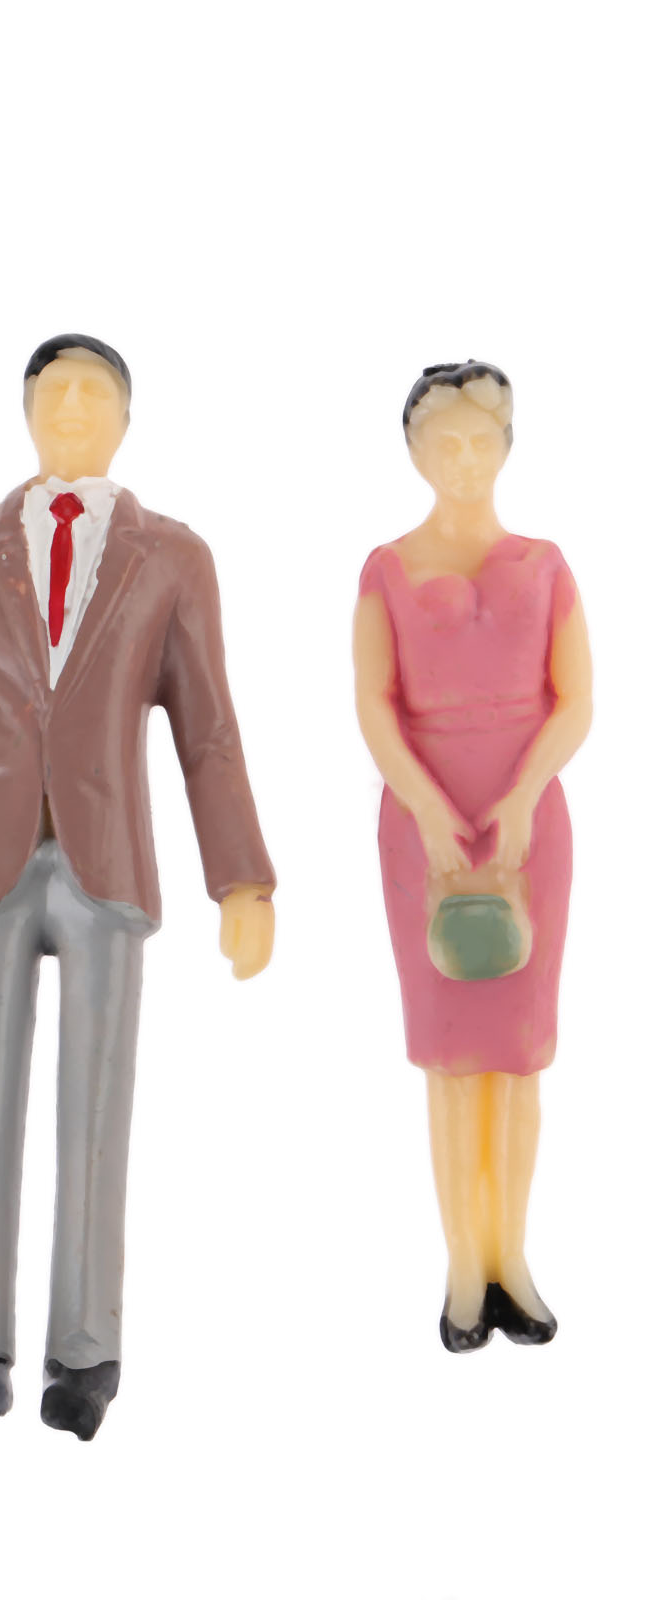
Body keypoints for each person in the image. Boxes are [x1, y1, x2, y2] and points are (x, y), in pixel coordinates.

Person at [0, 335, 274, 1440]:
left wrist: (241, 878)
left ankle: (86, 1351)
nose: (72, 405)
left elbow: (208, 730)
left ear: (126, 418)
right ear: (24, 408)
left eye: (94, 391)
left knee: (95, 1116)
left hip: (105, 858)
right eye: (54, 389)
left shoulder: (174, 556)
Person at [353, 361, 591, 1351]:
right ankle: (462, 1267)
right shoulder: (384, 568)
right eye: (442, 442)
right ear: (413, 451)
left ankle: (512, 1257)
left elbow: (575, 700)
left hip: (527, 829)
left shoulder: (545, 564)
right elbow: (374, 704)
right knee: (450, 1059)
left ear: (506, 447)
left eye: (479, 440)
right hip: (425, 833)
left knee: (520, 1056)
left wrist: (525, 794)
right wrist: (425, 806)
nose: (462, 459)